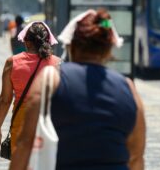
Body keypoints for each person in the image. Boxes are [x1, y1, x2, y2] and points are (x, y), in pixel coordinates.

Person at [10, 9, 146, 170]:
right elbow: (136, 156)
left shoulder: (50, 80)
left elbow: (25, 142)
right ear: (109, 50)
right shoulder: (128, 87)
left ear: (72, 46)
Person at [0, 21, 61, 156]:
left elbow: (5, 100)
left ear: (27, 42)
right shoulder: (58, 63)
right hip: (49, 125)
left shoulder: (12, 63)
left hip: (21, 124)